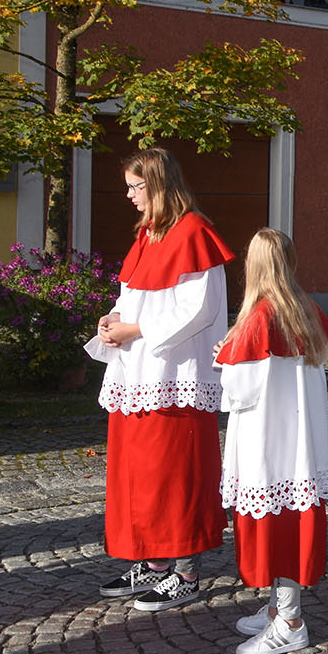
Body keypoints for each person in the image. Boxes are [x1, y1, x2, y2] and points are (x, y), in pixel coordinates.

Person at [89, 149, 232, 612]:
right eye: (128, 187)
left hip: (174, 375)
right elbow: (133, 295)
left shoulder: (194, 232)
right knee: (141, 475)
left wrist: (135, 329)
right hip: (137, 375)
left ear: (158, 184)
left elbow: (198, 310)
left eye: (136, 186)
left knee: (176, 476)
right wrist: (114, 318)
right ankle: (153, 562)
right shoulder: (148, 235)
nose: (129, 195)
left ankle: (186, 573)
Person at [216, 228, 328, 654]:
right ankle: (276, 609)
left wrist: (224, 357)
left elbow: (240, 391)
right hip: (296, 441)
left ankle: (289, 622)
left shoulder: (261, 315)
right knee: (288, 522)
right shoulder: (303, 307)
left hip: (269, 441)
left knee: (279, 528)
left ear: (254, 264)